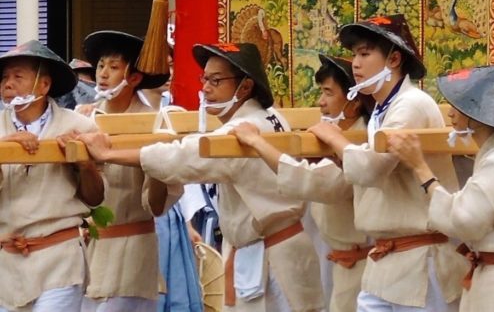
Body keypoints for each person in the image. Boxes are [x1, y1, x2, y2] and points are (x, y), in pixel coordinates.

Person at [77, 41, 324, 312]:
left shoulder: (245, 128)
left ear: (245, 87)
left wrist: (108, 154)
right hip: (270, 250)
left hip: (273, 256)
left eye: (216, 81)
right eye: (204, 79)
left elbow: (184, 156)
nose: (206, 88)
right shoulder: (270, 117)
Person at [306, 14, 466, 312]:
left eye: (365, 54)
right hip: (388, 262)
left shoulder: (412, 103)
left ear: (393, 59)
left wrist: (336, 140)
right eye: (355, 55)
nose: (355, 64)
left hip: (420, 260)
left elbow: (371, 169)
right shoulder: (384, 109)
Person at [389, 64, 494, 312]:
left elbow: (464, 220)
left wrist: (420, 167)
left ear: (478, 114)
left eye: (459, 107)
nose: (450, 114)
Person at [234, 53, 373, 312]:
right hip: (334, 260)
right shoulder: (334, 140)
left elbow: (317, 183)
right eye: (321, 92)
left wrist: (257, 143)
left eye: (328, 93)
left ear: (354, 103)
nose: (321, 102)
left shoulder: (360, 143)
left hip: (361, 265)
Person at [0, 40, 105, 312]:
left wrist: (84, 164)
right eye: (5, 78)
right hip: (7, 265)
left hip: (60, 259)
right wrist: (4, 148)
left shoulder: (78, 126)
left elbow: (96, 198)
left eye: (18, 77)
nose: (8, 84)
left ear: (44, 85)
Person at [77, 30, 175, 312]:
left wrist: (155, 160)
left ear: (133, 78)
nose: (103, 73)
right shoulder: (85, 117)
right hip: (90, 250)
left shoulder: (153, 123)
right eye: (100, 66)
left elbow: (156, 205)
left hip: (133, 248)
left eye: (114, 66)